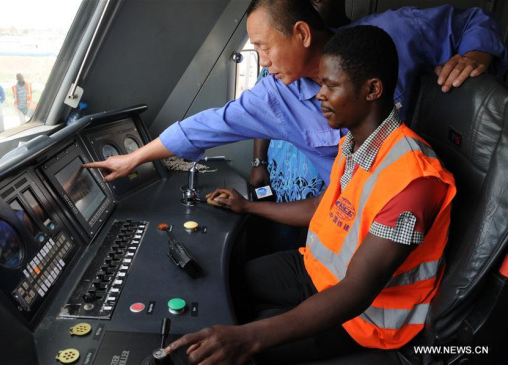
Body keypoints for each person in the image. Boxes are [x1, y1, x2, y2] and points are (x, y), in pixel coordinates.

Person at [165, 25, 456, 364]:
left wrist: (250, 338)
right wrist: (247, 207)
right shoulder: (354, 143)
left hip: (367, 318)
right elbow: (324, 206)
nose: (319, 95)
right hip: (317, 270)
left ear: (372, 89)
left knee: (248, 346)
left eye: (331, 85)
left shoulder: (415, 180)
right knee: (222, 283)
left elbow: (357, 290)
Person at [83, 0, 506, 188]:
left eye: (264, 46)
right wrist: (135, 156)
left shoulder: (392, 34)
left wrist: (476, 53)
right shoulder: (272, 97)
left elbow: (472, 20)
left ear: (301, 33)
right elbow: (206, 125)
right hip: (348, 222)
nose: (262, 60)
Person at [249, 0, 508, 253]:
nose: (320, 96)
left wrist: (474, 56)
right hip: (311, 203)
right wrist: (256, 172)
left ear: (372, 89)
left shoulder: (385, 37)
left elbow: (357, 284)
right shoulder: (346, 148)